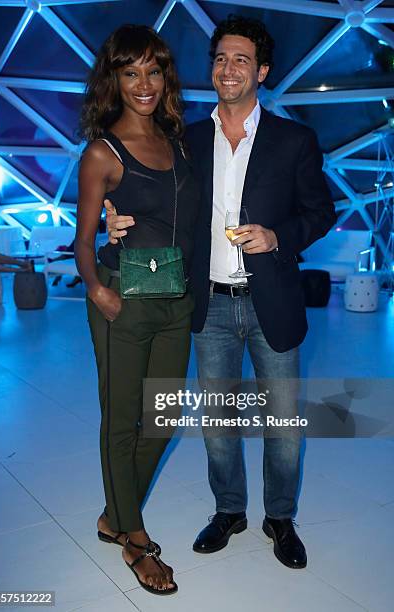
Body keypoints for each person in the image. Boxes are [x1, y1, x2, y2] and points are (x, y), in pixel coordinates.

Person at [106, 15, 337, 570]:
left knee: (281, 428)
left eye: (240, 59)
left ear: (261, 70)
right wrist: (113, 220)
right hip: (206, 303)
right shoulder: (182, 137)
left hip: (270, 303)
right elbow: (147, 190)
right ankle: (229, 509)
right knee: (218, 427)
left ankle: (279, 517)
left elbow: (321, 211)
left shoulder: (293, 139)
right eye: (219, 59)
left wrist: (279, 235)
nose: (227, 69)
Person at [75, 24, 199, 595]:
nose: (143, 84)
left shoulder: (177, 143)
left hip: (175, 299)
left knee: (165, 417)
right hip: (122, 296)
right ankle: (134, 540)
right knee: (122, 421)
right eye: (131, 73)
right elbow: (81, 240)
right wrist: (99, 291)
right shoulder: (102, 152)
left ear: (164, 76)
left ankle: (112, 514)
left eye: (152, 71)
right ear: (115, 80)